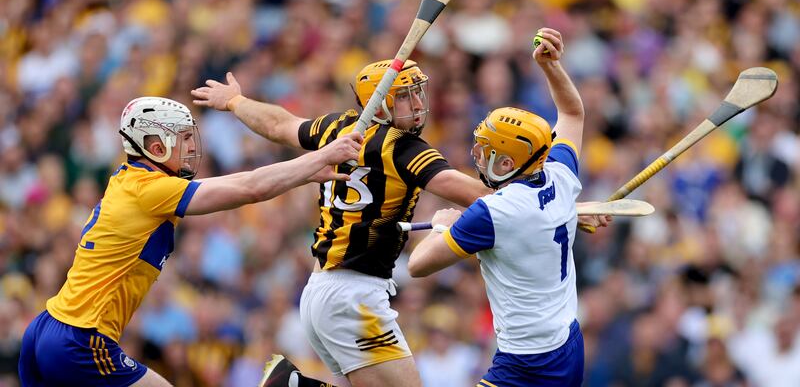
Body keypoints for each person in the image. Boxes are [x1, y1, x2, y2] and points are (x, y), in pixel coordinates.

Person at [18, 96, 362, 387]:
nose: (192, 147)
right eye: (183, 139)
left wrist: (305, 172)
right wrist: (320, 156)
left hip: (46, 327)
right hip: (79, 338)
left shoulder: (128, 180)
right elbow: (250, 187)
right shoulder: (150, 190)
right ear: (156, 146)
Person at [192, 59, 493, 387]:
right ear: (378, 106)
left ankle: (292, 383)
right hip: (355, 297)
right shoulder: (405, 149)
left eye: (418, 93)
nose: (418, 104)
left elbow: (279, 125)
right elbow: (472, 193)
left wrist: (237, 102)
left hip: (322, 293)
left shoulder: (336, 128)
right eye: (405, 96)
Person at [407, 28, 603, 386]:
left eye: (487, 151)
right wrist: (552, 66)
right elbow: (573, 113)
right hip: (568, 344)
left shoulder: (492, 214)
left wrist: (442, 226)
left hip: (527, 363)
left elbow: (418, 266)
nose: (477, 156)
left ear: (508, 163)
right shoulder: (560, 174)